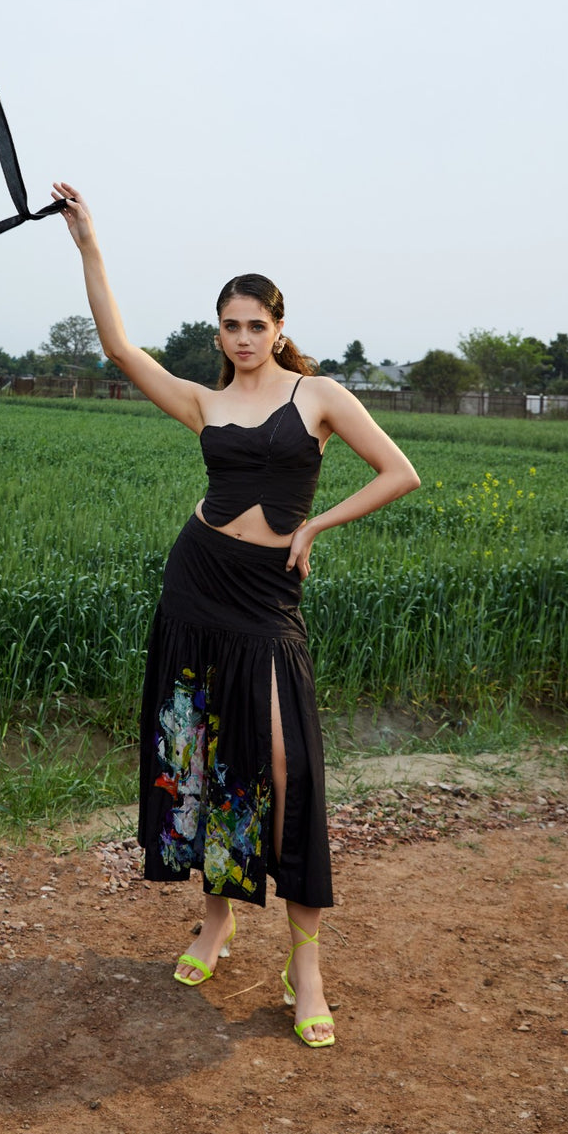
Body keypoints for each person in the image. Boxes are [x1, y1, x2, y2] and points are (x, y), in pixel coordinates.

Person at [53, 182, 420, 1047]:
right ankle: (215, 921)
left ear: (279, 330)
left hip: (267, 602)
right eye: (231, 326)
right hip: (197, 585)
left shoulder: (319, 396)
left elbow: (398, 471)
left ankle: (307, 962)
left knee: (287, 772)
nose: (245, 338)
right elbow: (118, 347)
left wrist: (316, 527)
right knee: (202, 756)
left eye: (258, 325)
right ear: (218, 333)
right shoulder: (206, 403)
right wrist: (88, 242)